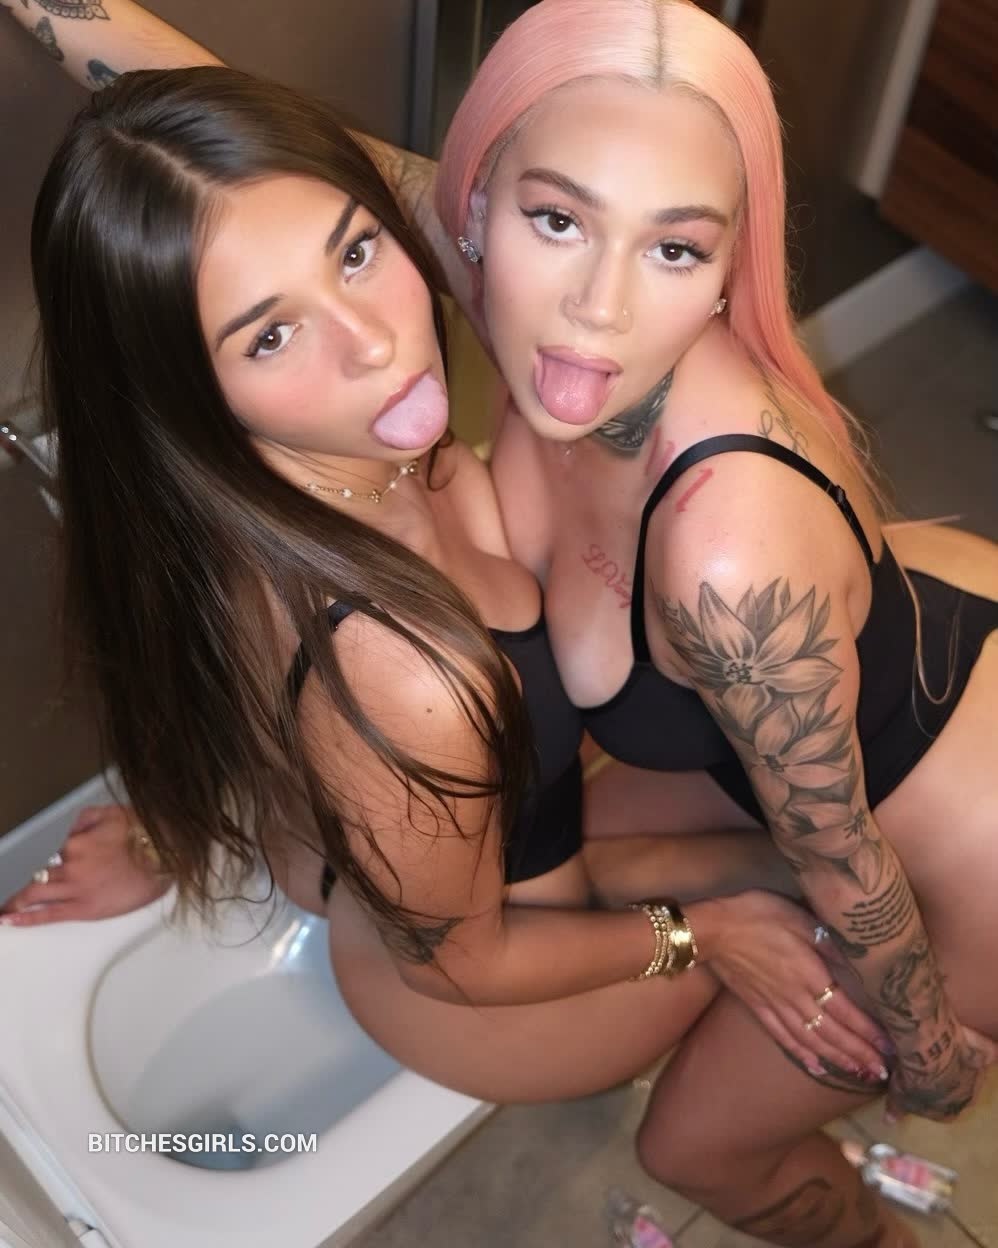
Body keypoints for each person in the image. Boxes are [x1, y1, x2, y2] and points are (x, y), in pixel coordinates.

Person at [18, 64, 897, 1174]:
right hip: (491, 991)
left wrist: (170, 833)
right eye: (269, 337)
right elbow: (460, 963)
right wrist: (705, 931)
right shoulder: (398, 662)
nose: (375, 341)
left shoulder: (336, 467)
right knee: (829, 949)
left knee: (824, 848)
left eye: (354, 252)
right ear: (184, 395)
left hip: (449, 858)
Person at [430, 1, 998, 1243]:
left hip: (963, 859)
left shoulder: (723, 562)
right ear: (472, 204)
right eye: (557, 219)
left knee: (691, 1147)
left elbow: (847, 867)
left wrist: (927, 1060)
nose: (595, 307)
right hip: (896, 661)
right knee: (538, 882)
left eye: (674, 249)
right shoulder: (498, 288)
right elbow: (256, 157)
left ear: (729, 263)